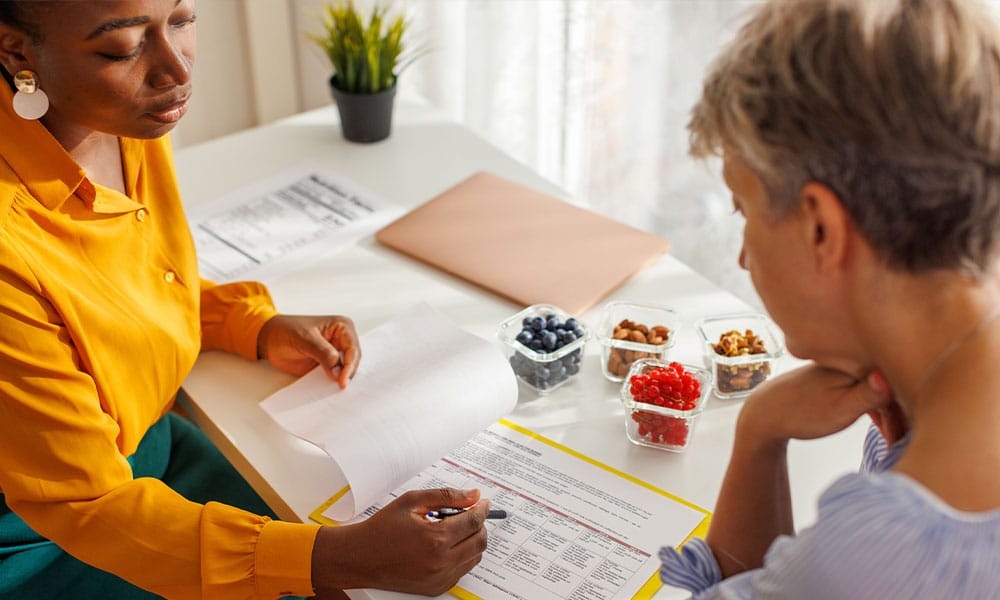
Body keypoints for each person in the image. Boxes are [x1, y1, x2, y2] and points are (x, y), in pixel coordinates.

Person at [0, 1, 490, 598]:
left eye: (181, 19)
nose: (176, 70)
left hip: (153, 452)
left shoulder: (121, 115)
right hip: (43, 539)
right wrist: (332, 560)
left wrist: (246, 322)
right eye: (124, 47)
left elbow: (105, 290)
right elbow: (85, 503)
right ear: (17, 51)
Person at [658, 0, 1000, 598]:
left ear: (821, 229)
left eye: (744, 210)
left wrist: (756, 436)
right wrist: (762, 429)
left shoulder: (880, 557)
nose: (741, 257)